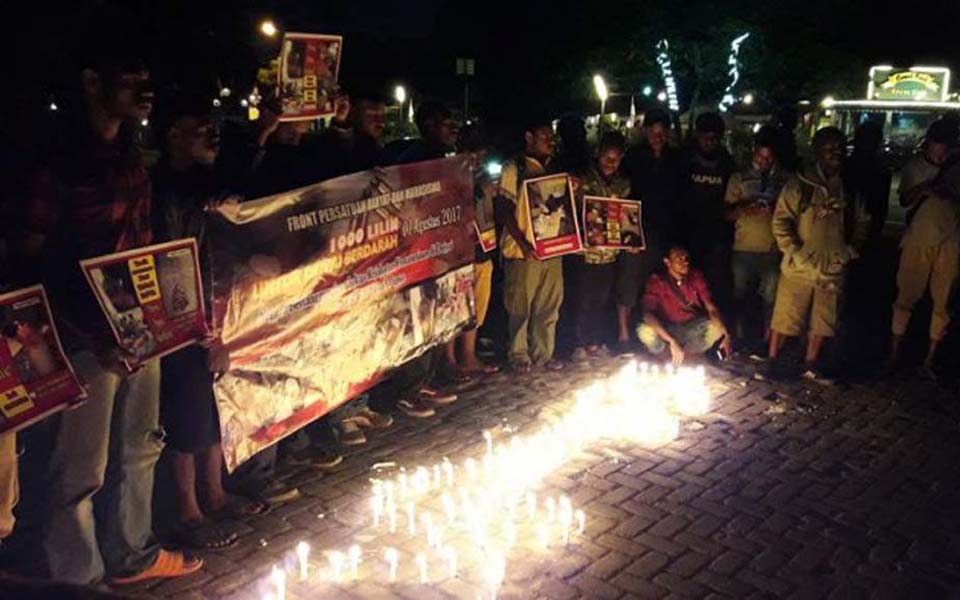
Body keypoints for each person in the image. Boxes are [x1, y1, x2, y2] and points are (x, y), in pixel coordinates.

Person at [21, 49, 201, 584]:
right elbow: (32, 260)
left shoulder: (128, 155)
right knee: (80, 468)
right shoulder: (57, 162)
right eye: (132, 72)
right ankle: (78, 576)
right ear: (93, 80)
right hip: (82, 339)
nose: (146, 86)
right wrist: (85, 336)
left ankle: (131, 555)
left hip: (135, 330)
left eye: (150, 74)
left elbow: (140, 248)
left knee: (140, 443)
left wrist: (161, 317)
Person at [767, 127, 869, 383]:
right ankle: (773, 361)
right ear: (817, 152)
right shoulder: (800, 184)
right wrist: (794, 251)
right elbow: (781, 220)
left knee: (824, 319)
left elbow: (863, 222)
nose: (836, 153)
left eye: (839, 148)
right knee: (786, 315)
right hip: (799, 266)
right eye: (829, 148)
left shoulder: (849, 188)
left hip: (833, 266)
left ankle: (811, 363)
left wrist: (849, 251)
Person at [888, 119, 960, 378]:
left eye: (945, 147)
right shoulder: (915, 167)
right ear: (928, 144)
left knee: (943, 303)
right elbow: (905, 199)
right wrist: (926, 188)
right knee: (906, 296)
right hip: (918, 239)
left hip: (950, 241)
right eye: (936, 146)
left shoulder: (956, 169)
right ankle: (894, 353)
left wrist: (948, 193)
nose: (940, 152)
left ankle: (930, 359)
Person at [496, 116, 565, 372]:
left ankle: (544, 354)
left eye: (552, 137)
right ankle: (518, 354)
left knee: (549, 305)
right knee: (520, 306)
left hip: (552, 248)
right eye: (544, 136)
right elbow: (504, 209)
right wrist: (523, 244)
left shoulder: (553, 167)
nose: (550, 141)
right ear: (529, 137)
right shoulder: (514, 169)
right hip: (522, 251)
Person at [621, 109, 684, 343]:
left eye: (662, 133)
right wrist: (628, 233)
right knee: (630, 280)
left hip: (667, 228)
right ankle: (625, 335)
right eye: (653, 132)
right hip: (639, 226)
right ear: (645, 131)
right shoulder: (634, 157)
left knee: (658, 283)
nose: (658, 137)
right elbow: (624, 193)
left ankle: (656, 335)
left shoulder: (676, 158)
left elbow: (682, 194)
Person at [724, 126, 789, 350]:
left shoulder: (784, 180)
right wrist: (746, 208)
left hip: (772, 249)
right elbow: (726, 214)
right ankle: (739, 338)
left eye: (769, 157)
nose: (764, 161)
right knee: (740, 296)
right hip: (743, 247)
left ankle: (767, 340)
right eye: (761, 156)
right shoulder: (739, 178)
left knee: (771, 298)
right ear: (754, 153)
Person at [570, 131, 632, 359]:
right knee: (582, 299)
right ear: (598, 155)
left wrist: (630, 238)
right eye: (607, 157)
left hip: (609, 254)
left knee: (602, 299)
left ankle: (595, 341)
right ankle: (579, 343)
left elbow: (626, 218)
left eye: (616, 159)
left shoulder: (623, 185)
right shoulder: (581, 180)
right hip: (585, 253)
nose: (611, 163)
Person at [444, 124, 499, 375]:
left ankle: (469, 355)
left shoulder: (485, 178)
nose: (477, 160)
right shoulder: (449, 176)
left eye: (481, 155)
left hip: (483, 250)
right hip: (457, 254)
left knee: (477, 307)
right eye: (472, 154)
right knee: (454, 308)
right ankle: (451, 361)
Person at [636, 245, 731, 365]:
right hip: (667, 328)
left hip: (691, 327)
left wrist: (726, 335)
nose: (684, 262)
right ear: (667, 262)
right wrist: (671, 340)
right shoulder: (657, 281)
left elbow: (711, 308)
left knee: (716, 328)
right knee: (644, 330)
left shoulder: (695, 277)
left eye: (686, 258)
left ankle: (688, 355)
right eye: (678, 259)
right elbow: (647, 314)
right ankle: (664, 354)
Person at [680, 112, 736, 308]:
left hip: (716, 233)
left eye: (715, 137)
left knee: (714, 282)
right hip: (687, 230)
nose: (710, 141)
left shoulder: (727, 163)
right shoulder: (684, 160)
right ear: (697, 135)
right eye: (706, 136)